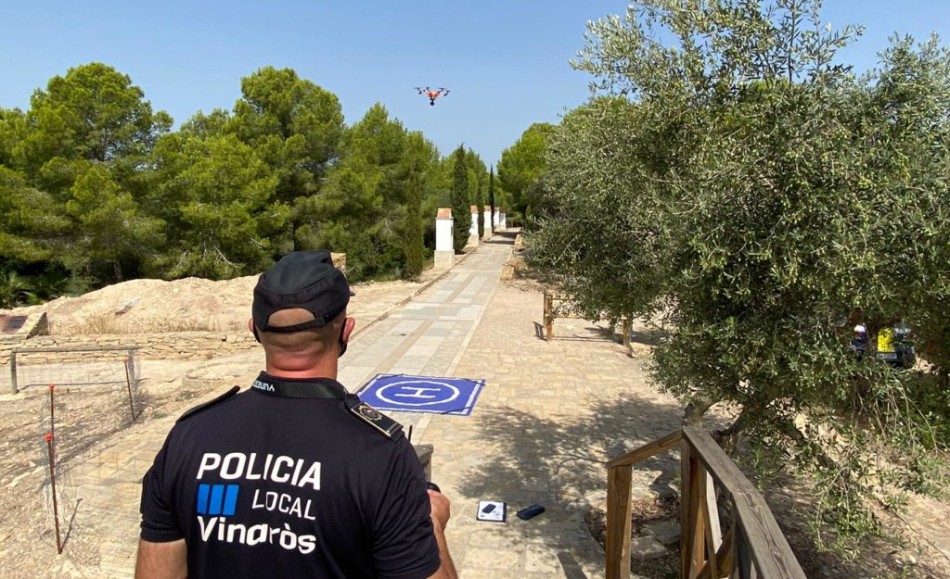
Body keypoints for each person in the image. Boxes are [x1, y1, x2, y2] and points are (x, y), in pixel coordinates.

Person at [135, 250, 457, 579]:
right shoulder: (381, 454)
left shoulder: (189, 436)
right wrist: (431, 525)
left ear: (254, 330)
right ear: (346, 331)